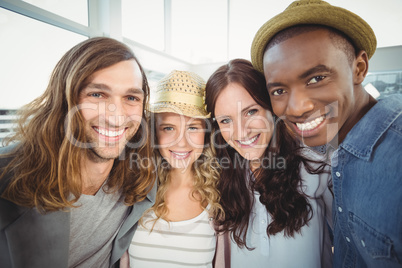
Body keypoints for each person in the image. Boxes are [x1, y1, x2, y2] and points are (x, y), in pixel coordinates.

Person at [251, 0, 402, 267]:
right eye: (279, 91)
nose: (298, 108)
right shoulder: (328, 149)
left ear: (359, 68)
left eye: (316, 79)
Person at [0, 37, 156, 268]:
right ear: (65, 98)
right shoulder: (8, 176)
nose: (116, 117)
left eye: (131, 98)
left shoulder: (140, 174)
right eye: (97, 94)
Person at [205, 59, 333, 267]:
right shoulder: (219, 178)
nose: (241, 132)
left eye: (251, 112)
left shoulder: (315, 167)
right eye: (226, 120)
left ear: (271, 109)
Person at [127, 70, 223, 267]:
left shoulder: (220, 196)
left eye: (193, 128)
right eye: (169, 128)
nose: (181, 142)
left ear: (206, 133)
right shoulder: (135, 187)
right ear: (155, 133)